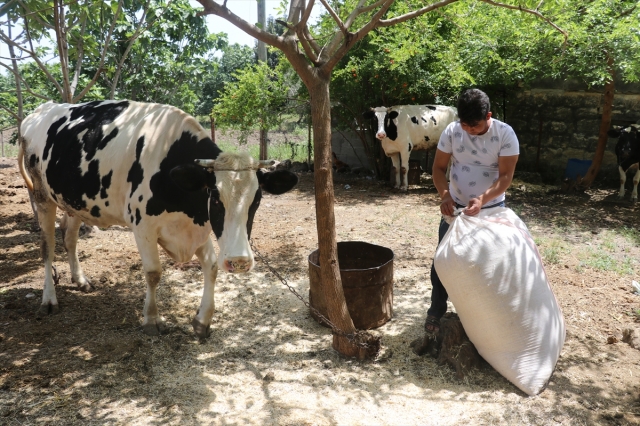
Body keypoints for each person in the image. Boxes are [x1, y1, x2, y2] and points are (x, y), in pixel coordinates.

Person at [423, 88, 520, 336]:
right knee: (442, 261)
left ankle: (485, 318)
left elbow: (506, 176)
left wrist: (482, 199)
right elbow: (438, 169)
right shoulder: (453, 131)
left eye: (474, 126)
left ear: (488, 115)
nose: (468, 131)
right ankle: (436, 310)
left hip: (490, 210)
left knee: (488, 263)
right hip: (455, 209)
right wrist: (445, 195)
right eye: (464, 125)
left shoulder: (505, 134)